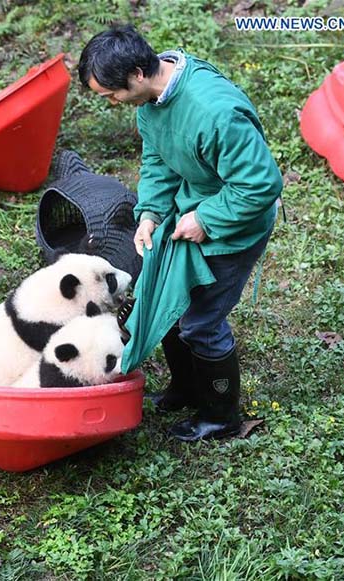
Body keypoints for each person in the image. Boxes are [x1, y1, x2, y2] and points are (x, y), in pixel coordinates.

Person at [78, 24, 283, 442]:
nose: (112, 103)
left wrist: (206, 219)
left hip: (235, 224)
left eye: (111, 94)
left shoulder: (216, 113)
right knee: (172, 307)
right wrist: (151, 213)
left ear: (137, 73)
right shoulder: (150, 102)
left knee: (201, 323)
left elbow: (260, 185)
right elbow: (158, 159)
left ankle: (220, 416)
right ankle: (186, 389)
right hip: (189, 210)